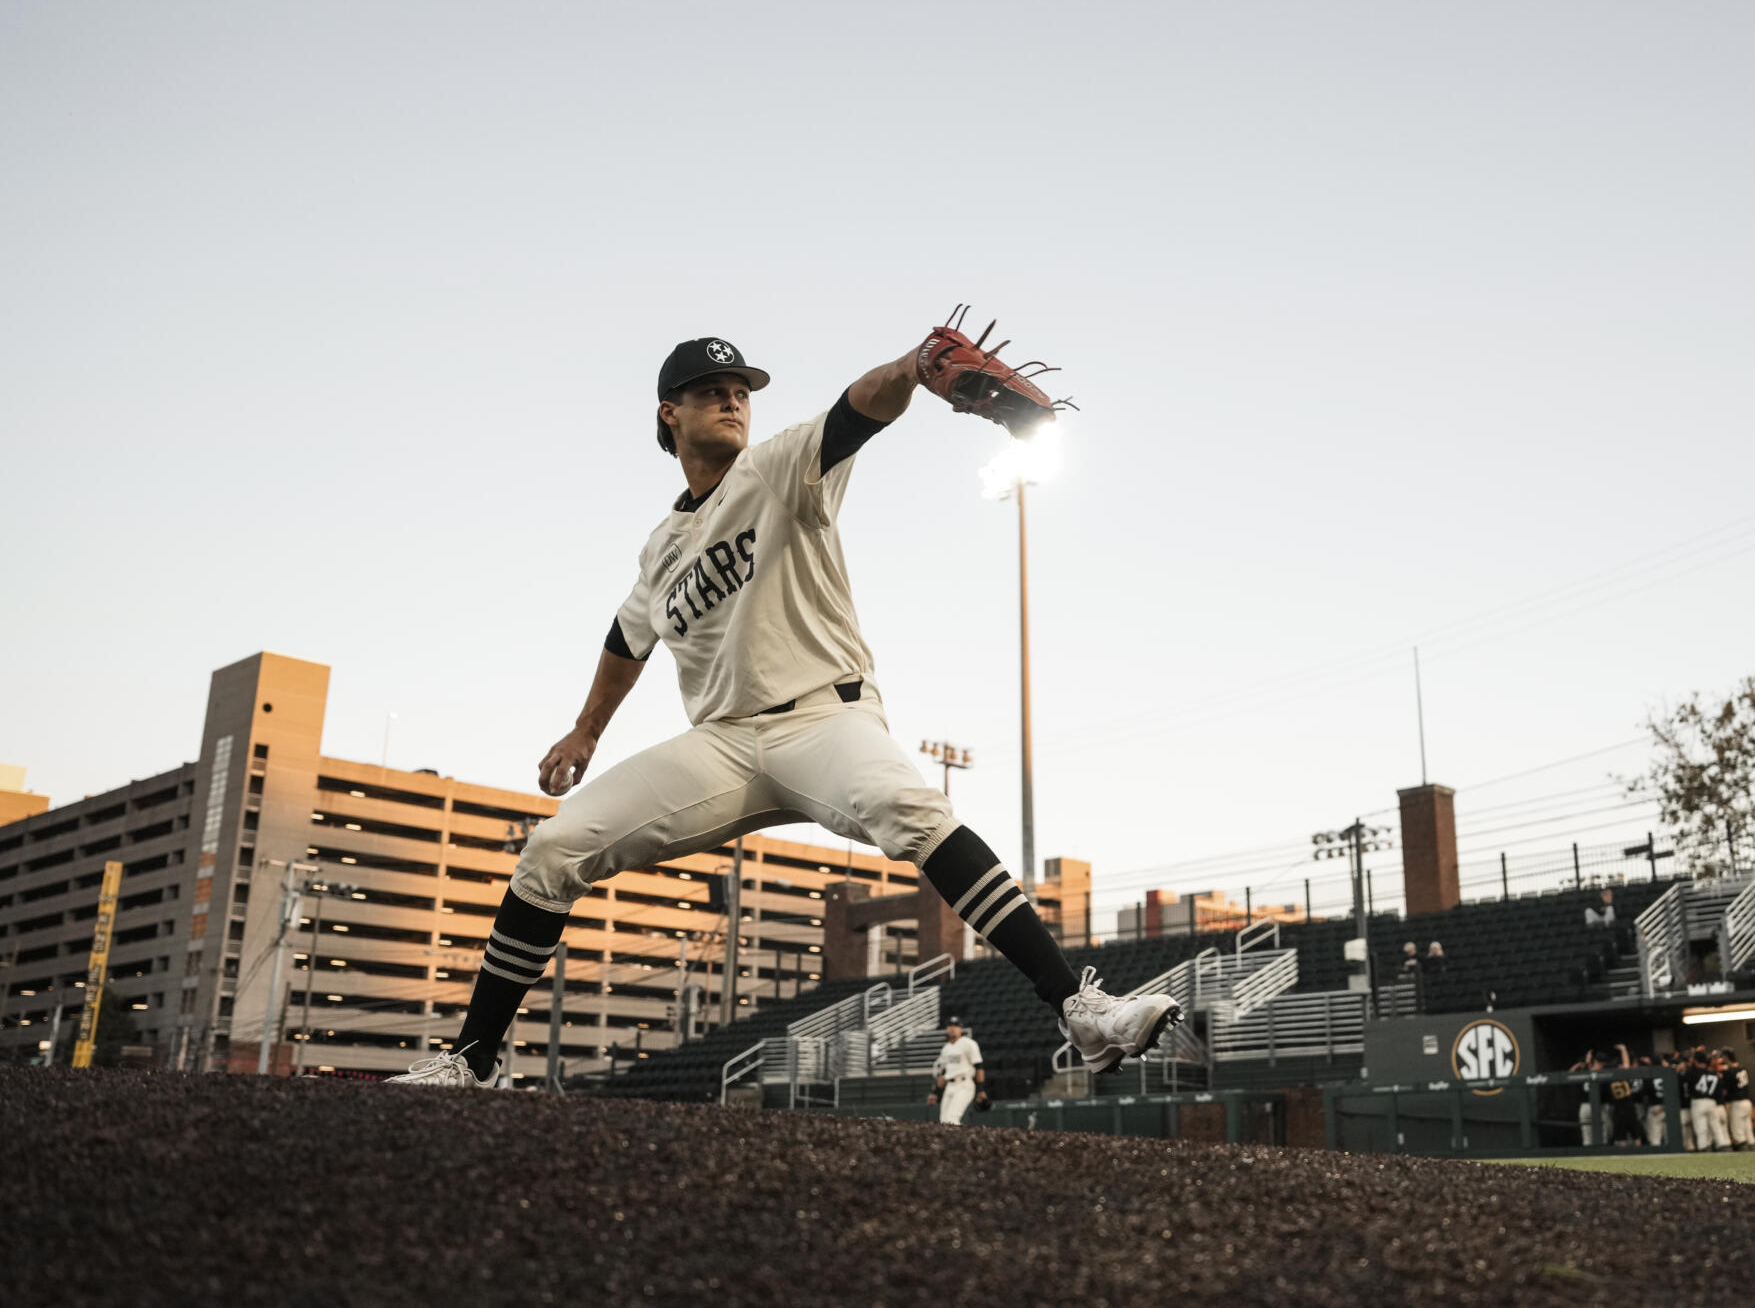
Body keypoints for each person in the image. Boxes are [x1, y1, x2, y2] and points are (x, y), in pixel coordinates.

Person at [392, 325, 1180, 1088]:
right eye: (711, 390)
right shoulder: (661, 545)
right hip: (725, 745)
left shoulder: (776, 467)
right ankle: (476, 1059)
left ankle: (1078, 1005)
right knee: (553, 850)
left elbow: (856, 409)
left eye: (740, 389)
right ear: (670, 411)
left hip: (824, 719)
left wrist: (914, 363)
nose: (733, 400)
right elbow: (627, 636)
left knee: (909, 808)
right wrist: (585, 729)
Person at [928, 1018, 985, 1125]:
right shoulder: (946, 1048)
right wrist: (935, 1092)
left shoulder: (969, 1044)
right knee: (944, 1121)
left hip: (964, 1084)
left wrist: (981, 1089)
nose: (952, 1028)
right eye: (950, 1025)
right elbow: (944, 1072)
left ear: (961, 1029)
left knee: (952, 1118)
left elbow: (979, 1067)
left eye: (956, 1025)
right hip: (950, 1085)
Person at [1685, 1051, 1726, 1152]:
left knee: (1701, 1128)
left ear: (1696, 1060)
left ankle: (1703, 1147)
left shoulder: (1691, 1072)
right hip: (1712, 1102)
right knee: (1716, 1126)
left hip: (1698, 1102)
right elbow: (1719, 1092)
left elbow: (1686, 1085)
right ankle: (1722, 1145)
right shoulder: (1714, 1074)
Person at [1720, 1047, 1755, 1150]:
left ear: (1726, 1057)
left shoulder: (1730, 1071)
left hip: (1737, 1103)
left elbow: (1725, 1090)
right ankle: (1753, 1149)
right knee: (1748, 1130)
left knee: (1738, 1132)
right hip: (1747, 1102)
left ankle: (1744, 1153)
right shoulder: (1742, 1069)